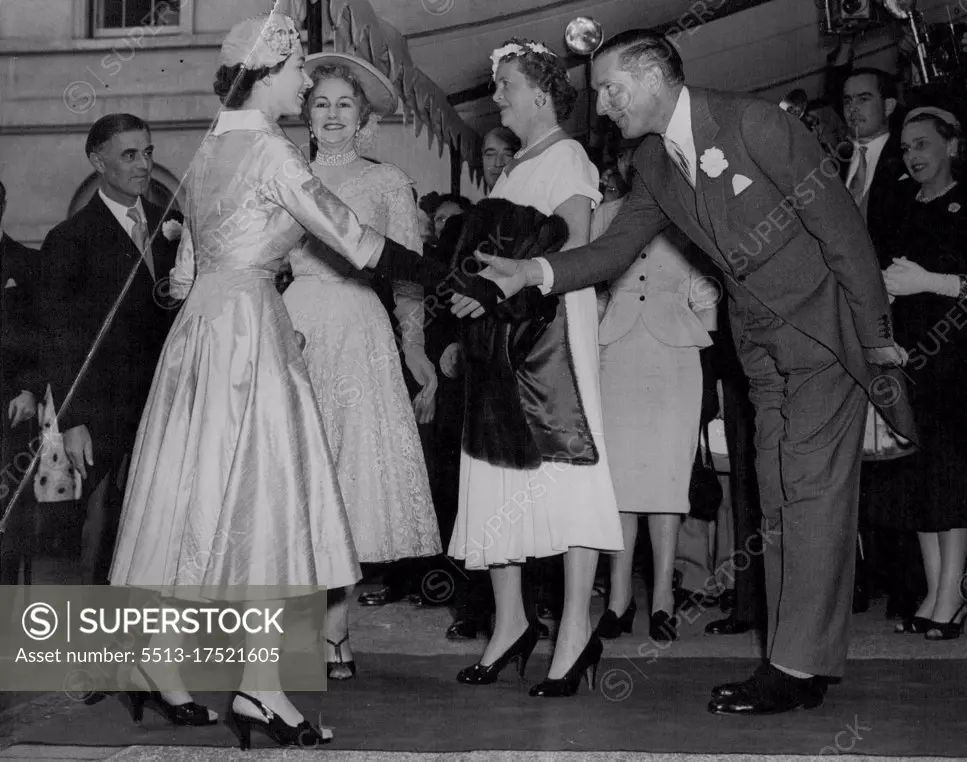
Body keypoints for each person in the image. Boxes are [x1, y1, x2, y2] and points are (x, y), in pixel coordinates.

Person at [459, 29, 915, 715]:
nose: (602, 105)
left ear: (650, 76)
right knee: (778, 496)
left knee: (813, 495)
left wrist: (878, 345)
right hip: (758, 348)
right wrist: (535, 270)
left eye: (610, 88)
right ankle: (804, 659)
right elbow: (613, 249)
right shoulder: (653, 161)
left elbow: (845, 233)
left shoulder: (756, 124)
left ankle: (792, 670)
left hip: (823, 336)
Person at [106, 11, 499, 748]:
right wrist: (457, 277)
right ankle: (256, 689)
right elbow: (360, 242)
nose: (305, 87)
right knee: (272, 499)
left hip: (199, 336)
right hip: (252, 332)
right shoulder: (271, 154)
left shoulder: (206, 152)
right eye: (297, 76)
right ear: (264, 76)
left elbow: (183, 274)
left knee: (188, 495)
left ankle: (161, 664)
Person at [447, 38, 623, 698]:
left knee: (567, 471)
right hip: (501, 338)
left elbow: (575, 244)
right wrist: (474, 288)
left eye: (507, 86)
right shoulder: (513, 167)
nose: (498, 96)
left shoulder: (569, 156)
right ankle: (512, 621)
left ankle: (575, 628)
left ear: (541, 96)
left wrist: (498, 288)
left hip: (550, 338)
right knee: (495, 473)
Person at [281, 51, 442, 681]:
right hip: (292, 326)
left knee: (350, 480)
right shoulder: (285, 174)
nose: (332, 115)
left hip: (359, 330)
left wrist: (415, 346)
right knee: (295, 475)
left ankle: (337, 629)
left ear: (364, 116)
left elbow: (407, 280)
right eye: (320, 103)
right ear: (306, 114)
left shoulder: (387, 184)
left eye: (344, 104)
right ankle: (294, 632)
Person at [34, 113, 183, 586]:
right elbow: (57, 338)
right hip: (104, 414)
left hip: (168, 403)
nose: (143, 165)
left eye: (148, 153)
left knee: (166, 527)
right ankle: (97, 651)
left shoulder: (172, 226)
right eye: (129, 155)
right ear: (98, 162)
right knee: (106, 531)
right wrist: (74, 420)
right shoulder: (69, 240)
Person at [592, 168, 718, 642]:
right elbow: (592, 282)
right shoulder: (602, 215)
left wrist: (699, 326)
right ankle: (619, 598)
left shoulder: (690, 217)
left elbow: (709, 290)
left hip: (675, 359)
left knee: (667, 480)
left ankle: (664, 597)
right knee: (619, 482)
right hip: (617, 355)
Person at [879, 106, 967, 641]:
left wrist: (931, 282)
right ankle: (932, 590)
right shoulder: (901, 204)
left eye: (922, 144)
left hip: (957, 356)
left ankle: (953, 595)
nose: (913, 156)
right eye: (905, 148)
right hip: (907, 353)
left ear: (951, 145)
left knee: (950, 475)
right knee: (916, 476)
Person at [0, 178, 39, 584]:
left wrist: (29, 389)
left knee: (8, 515)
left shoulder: (27, 265)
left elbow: (46, 333)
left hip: (9, 406)